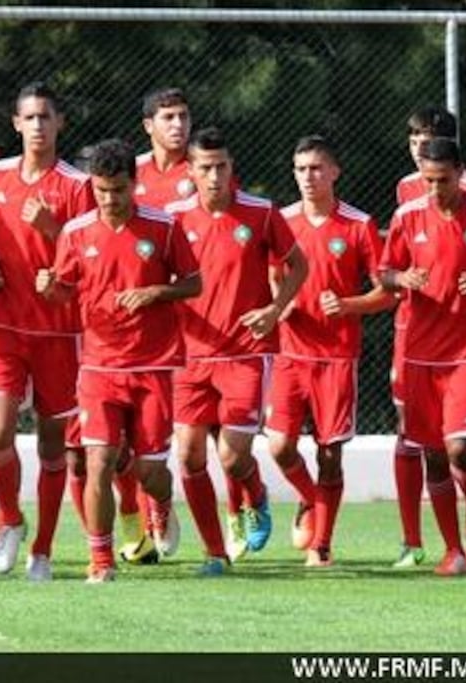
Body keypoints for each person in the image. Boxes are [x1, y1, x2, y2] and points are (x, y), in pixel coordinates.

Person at [37, 139, 200, 582]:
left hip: (152, 366)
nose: (110, 200)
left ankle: (162, 506)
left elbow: (194, 282)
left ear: (136, 184)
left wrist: (155, 292)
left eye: (120, 190)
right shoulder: (75, 232)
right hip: (98, 367)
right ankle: (101, 561)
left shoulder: (163, 227)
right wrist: (50, 286)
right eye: (103, 190)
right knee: (99, 461)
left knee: (149, 472)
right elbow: (65, 294)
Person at [169, 126, 309, 571]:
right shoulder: (172, 218)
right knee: (189, 457)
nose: (215, 176)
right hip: (189, 355)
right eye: (206, 168)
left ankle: (256, 493)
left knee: (232, 456)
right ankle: (214, 553)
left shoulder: (262, 213)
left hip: (246, 353)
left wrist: (274, 309)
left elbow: (299, 265)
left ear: (233, 169)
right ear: (190, 171)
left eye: (222, 167)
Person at [380, 137, 466, 576]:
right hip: (421, 352)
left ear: (461, 174)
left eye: (443, 179)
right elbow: (385, 272)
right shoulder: (407, 216)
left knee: (461, 447)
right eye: (428, 181)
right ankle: (452, 550)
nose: (436, 189)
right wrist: (403, 276)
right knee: (434, 455)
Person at [0, 82, 96, 580]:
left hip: (58, 333)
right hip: (3, 324)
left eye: (47, 117)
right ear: (17, 124)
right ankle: (9, 520)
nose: (38, 126)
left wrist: (53, 229)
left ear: (59, 124)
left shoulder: (76, 185)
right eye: (30, 118)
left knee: (52, 446)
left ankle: (42, 550)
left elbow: (90, 256)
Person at [266, 135, 393, 567]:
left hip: (337, 357)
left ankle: (322, 544)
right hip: (290, 353)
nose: (307, 177)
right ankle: (310, 499)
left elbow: (387, 293)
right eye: (300, 169)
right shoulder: (282, 220)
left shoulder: (357, 225)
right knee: (280, 446)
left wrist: (349, 305)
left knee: (329, 454)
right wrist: (279, 306)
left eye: (316, 168)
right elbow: (272, 273)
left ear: (334, 172)